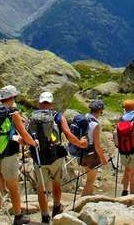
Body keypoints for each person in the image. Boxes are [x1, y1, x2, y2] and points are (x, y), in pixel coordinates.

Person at [0, 85, 38, 225]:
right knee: (13, 187)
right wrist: (33, 143)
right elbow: (23, 133)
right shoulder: (13, 113)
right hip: (8, 155)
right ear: (12, 98)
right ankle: (18, 217)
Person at [29, 92, 88, 223]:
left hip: (39, 158)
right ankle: (56, 207)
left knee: (41, 188)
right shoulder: (58, 116)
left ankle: (44, 216)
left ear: (39, 103)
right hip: (56, 156)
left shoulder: (32, 117)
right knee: (57, 182)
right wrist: (80, 143)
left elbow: (27, 137)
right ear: (51, 103)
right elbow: (67, 134)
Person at [81, 100, 109, 196]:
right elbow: (97, 145)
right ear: (100, 110)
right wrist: (103, 158)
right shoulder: (95, 124)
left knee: (89, 178)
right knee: (90, 180)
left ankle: (89, 199)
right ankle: (81, 202)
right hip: (91, 154)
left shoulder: (84, 118)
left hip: (81, 151)